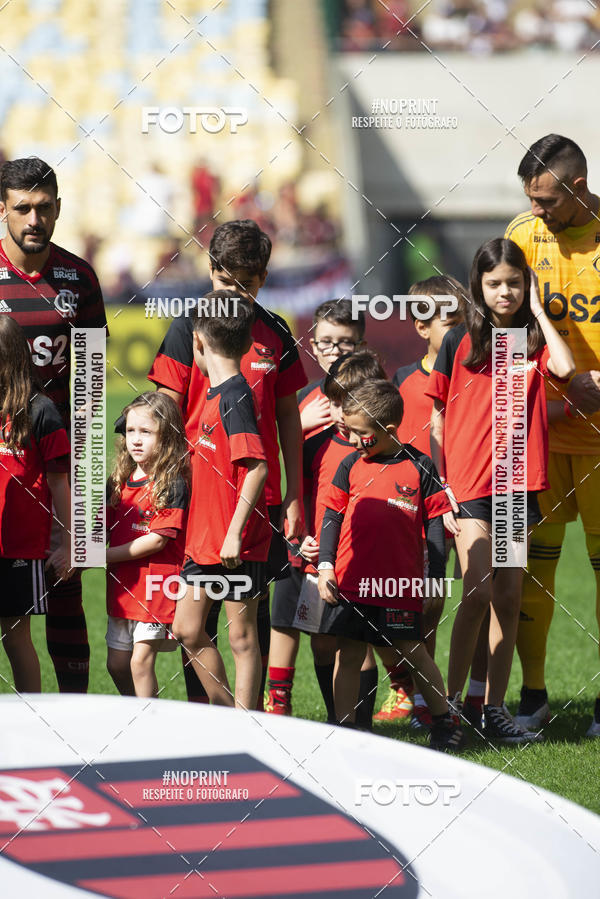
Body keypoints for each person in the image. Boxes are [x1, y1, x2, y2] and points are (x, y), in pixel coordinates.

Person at [148, 220, 307, 708]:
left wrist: (296, 495)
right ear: (211, 270)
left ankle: (246, 724)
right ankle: (207, 720)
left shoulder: (276, 330)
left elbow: (287, 418)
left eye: (248, 282)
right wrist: (163, 486)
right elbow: (164, 411)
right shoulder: (187, 326)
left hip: (256, 501)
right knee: (192, 623)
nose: (237, 293)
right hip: (197, 499)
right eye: (227, 281)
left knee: (246, 627)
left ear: (262, 278)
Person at [427, 237, 575, 743]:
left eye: (515, 282)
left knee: (508, 597)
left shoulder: (531, 340)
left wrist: (536, 308)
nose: (504, 292)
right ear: (478, 285)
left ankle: (492, 710)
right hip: (467, 485)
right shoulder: (458, 340)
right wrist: (442, 484)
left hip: (516, 485)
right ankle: (448, 712)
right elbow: (438, 417)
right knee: (477, 590)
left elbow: (565, 368)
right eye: (494, 284)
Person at [0, 156, 107, 693]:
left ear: (59, 208)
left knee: (68, 585)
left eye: (44, 207)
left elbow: (90, 381)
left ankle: (75, 719)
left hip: (64, 461)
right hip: (4, 466)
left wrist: (90, 474)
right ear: (3, 211)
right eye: (22, 209)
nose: (33, 219)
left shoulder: (79, 279)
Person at [505, 135, 600, 737]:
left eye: (546, 199)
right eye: (531, 199)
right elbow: (503, 322)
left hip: (598, 443)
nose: (536, 210)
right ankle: (533, 695)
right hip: (537, 437)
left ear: (578, 187)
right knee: (529, 573)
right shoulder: (522, 233)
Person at [317, 379, 463, 752]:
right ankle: (343, 731)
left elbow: (435, 526)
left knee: (412, 652)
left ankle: (444, 723)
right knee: (348, 653)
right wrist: (326, 566)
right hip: (350, 582)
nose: (352, 440)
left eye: (361, 434)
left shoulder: (420, 466)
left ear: (389, 430)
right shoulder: (350, 464)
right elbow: (332, 516)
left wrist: (434, 580)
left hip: (399, 586)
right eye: (348, 431)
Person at [267, 350, 386, 722]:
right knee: (321, 643)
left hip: (365, 562)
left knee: (358, 646)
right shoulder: (314, 447)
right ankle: (338, 721)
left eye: (345, 404)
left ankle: (359, 727)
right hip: (320, 562)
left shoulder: (382, 451)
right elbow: (299, 499)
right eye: (333, 403)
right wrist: (300, 540)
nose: (337, 413)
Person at [374, 276, 467, 728]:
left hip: (474, 501)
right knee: (422, 603)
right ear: (420, 327)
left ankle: (479, 701)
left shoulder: (477, 376)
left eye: (461, 323)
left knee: (487, 596)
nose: (456, 334)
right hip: (420, 510)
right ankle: (420, 695)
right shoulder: (404, 381)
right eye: (448, 324)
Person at [172, 293, 270, 710]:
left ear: (197, 342)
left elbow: (258, 467)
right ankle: (230, 715)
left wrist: (233, 534)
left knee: (241, 637)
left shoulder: (234, 396)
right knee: (187, 629)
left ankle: (247, 729)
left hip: (233, 543)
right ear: (248, 345)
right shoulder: (216, 395)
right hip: (205, 539)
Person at [0, 316, 71, 692]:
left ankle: (31, 717)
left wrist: (66, 542)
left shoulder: (40, 409)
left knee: (15, 637)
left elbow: (60, 483)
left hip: (21, 548)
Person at [105, 393, 189, 698]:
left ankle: (148, 728)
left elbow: (157, 540)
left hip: (156, 585)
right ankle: (139, 715)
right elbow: (100, 524)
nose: (136, 440)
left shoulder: (173, 481)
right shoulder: (118, 479)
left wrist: (102, 556)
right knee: (116, 664)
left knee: (140, 662)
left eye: (146, 432)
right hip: (121, 587)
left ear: (166, 437)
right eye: (130, 431)